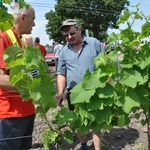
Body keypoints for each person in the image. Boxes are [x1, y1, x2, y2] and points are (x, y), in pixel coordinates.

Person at [56, 19, 105, 150]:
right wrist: (61, 92)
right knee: (79, 121)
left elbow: (105, 67)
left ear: (80, 29)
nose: (69, 37)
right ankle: (84, 146)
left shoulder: (94, 43)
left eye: (72, 33)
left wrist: (106, 86)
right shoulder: (63, 52)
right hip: (74, 93)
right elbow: (61, 73)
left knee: (95, 122)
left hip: (94, 91)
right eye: (66, 35)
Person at [0, 3, 36, 150]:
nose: (34, 23)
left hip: (28, 111)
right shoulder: (3, 38)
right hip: (11, 115)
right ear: (23, 18)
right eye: (33, 19)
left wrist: (32, 52)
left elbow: (36, 73)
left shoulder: (24, 41)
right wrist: (32, 85)